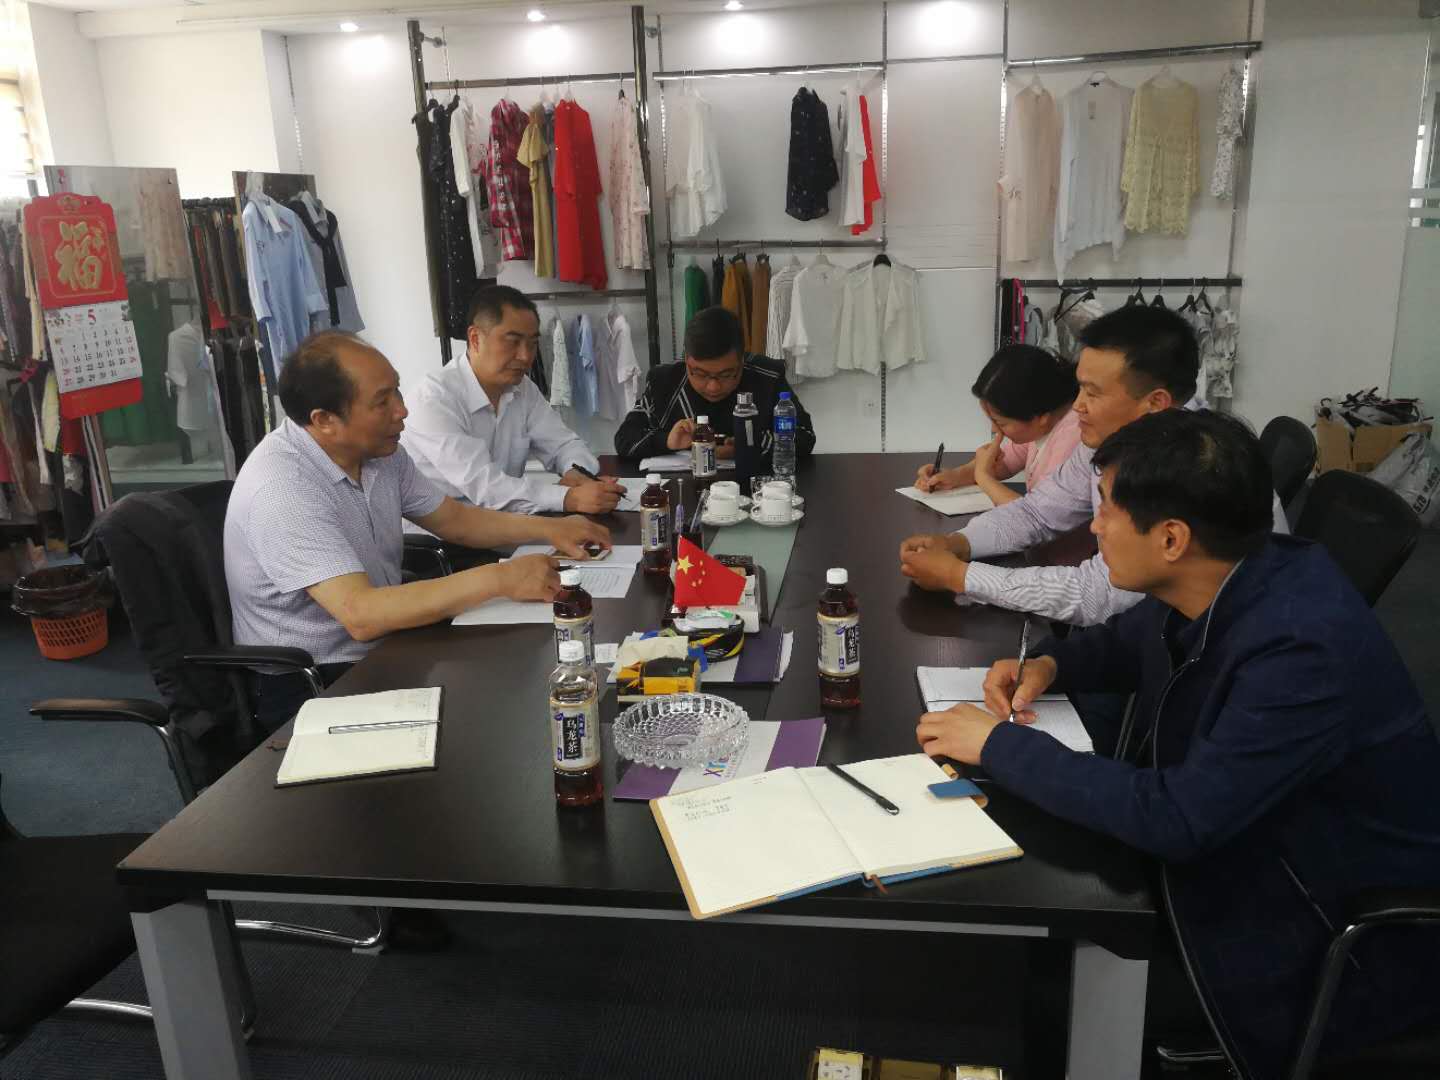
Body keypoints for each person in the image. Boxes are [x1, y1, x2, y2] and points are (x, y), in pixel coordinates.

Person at [916, 410, 1440, 1080]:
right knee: (1037, 921)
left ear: (1171, 538)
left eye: (1106, 510)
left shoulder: (1302, 652)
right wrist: (1050, 665)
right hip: (1246, 861)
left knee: (1047, 980)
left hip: (1321, 942)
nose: (1094, 527)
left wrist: (998, 746)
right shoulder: (1229, 573)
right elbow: (1129, 642)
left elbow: (1180, 818)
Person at [225, 330, 611, 728]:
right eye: (382, 401)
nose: (402, 410)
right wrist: (500, 578)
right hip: (313, 680)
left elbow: (455, 520)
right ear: (325, 421)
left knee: (520, 685)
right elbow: (360, 614)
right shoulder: (283, 487)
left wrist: (551, 529)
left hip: (387, 645)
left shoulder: (379, 453)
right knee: (499, 717)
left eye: (397, 390)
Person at [898, 304, 1287, 626]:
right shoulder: (1114, 435)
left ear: (1156, 402)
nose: (1077, 405)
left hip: (1222, 643)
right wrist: (957, 544)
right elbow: (1038, 513)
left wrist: (960, 576)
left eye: (1093, 393)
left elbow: (1100, 594)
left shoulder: (1191, 469)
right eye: (1080, 386)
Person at [402, 284, 626, 515]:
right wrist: (567, 497)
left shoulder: (523, 389)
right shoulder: (433, 398)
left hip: (505, 525)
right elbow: (485, 488)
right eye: (513, 342)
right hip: (440, 534)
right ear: (475, 338)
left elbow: (564, 444)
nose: (525, 356)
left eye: (532, 344)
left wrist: (576, 473)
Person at [615, 306, 816, 461]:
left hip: (755, 493)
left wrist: (751, 444)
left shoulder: (767, 377)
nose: (713, 387)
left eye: (726, 374)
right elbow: (624, 439)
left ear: (742, 361)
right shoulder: (664, 381)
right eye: (700, 374)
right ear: (687, 361)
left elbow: (805, 437)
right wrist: (667, 440)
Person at [913, 344, 1082, 506]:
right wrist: (955, 476)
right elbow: (1006, 462)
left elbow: (1037, 516)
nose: (994, 429)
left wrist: (983, 476)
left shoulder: (1071, 441)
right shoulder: (1043, 424)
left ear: (1041, 418)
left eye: (1000, 422)